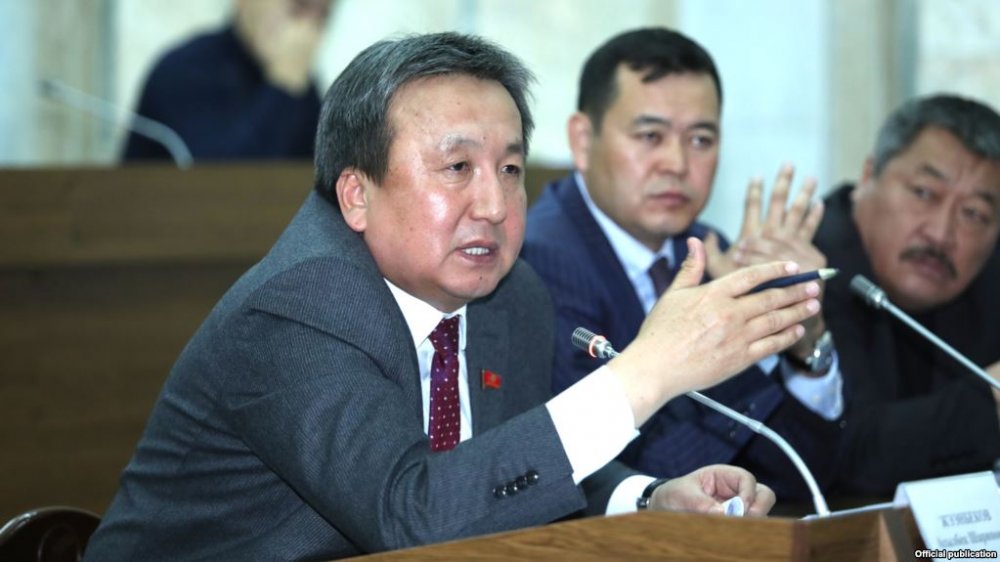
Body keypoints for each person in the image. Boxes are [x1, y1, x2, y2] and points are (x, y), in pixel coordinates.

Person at [83, 32, 821, 560]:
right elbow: (414, 519)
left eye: (510, 169)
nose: (495, 206)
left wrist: (649, 498)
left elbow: (499, 477)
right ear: (356, 195)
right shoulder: (300, 307)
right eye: (457, 168)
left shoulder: (511, 296)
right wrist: (645, 373)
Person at [521, 27, 843, 502]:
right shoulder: (537, 261)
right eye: (650, 136)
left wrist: (803, 335)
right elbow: (607, 472)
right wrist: (738, 338)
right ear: (583, 140)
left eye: (700, 139)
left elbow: (807, 479)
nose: (675, 162)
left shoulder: (715, 252)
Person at [816, 94, 1000, 495]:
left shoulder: (990, 279)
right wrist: (990, 397)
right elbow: (849, 455)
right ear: (868, 175)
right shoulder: (809, 267)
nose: (941, 234)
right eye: (924, 193)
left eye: (974, 214)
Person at [122, 0, 331, 161]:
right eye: (298, 8)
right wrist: (283, 83)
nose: (306, 30)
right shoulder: (184, 69)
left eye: (321, 16)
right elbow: (223, 181)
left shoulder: (300, 85)